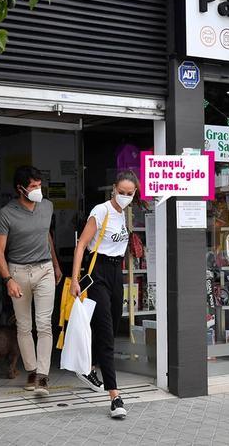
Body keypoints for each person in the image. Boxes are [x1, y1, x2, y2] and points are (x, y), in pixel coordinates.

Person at [70, 170, 143, 419]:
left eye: (129, 193)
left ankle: (89, 367)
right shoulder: (100, 211)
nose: (124, 196)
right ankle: (115, 396)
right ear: (114, 189)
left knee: (110, 328)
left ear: (134, 192)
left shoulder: (124, 214)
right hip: (97, 272)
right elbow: (81, 245)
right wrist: (74, 280)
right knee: (104, 329)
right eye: (120, 192)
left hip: (116, 272)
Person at [0, 166, 62, 396]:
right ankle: (31, 370)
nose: (37, 190)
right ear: (20, 189)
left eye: (39, 185)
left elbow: (46, 235)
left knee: (44, 323)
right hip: (18, 272)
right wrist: (8, 279)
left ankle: (42, 376)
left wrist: (55, 264)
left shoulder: (48, 206)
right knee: (24, 326)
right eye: (33, 187)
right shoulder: (6, 213)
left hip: (44, 269)